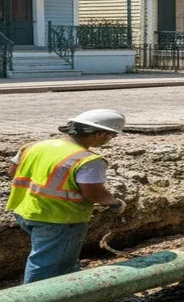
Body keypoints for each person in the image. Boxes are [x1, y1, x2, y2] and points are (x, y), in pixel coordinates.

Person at [7, 109, 126, 284]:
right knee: (45, 265)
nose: (112, 139)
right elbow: (93, 193)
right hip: (59, 218)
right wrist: (115, 203)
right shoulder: (88, 160)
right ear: (99, 133)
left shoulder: (34, 146)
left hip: (24, 210)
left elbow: (12, 172)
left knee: (60, 257)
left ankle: (67, 290)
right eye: (112, 135)